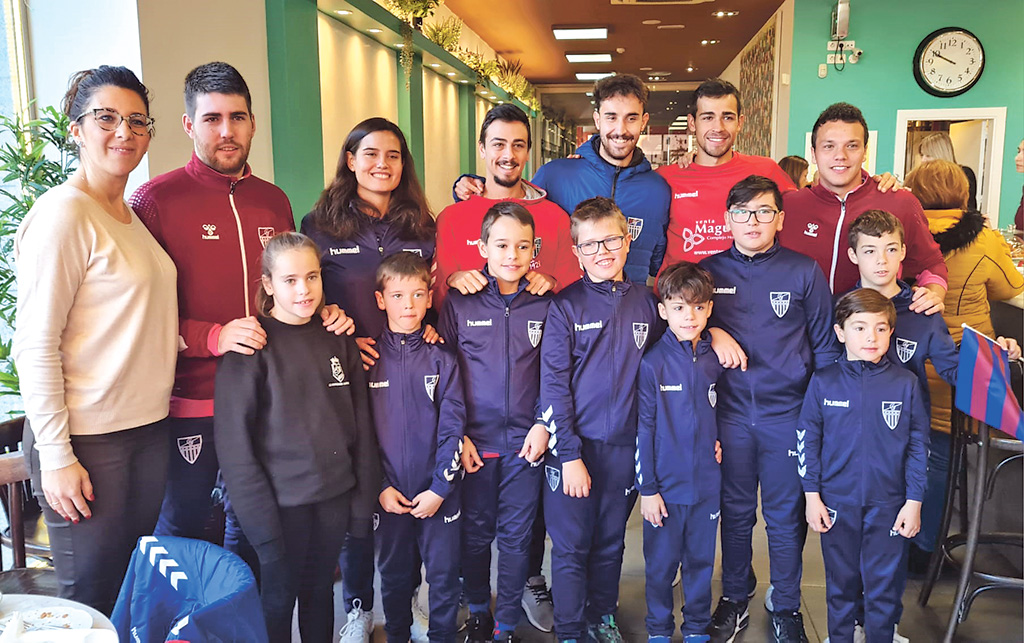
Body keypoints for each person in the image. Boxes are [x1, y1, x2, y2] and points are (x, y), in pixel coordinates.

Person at [129, 62, 351, 548]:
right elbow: (137, 316)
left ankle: (243, 626)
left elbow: (290, 286)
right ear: (189, 125)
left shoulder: (273, 201)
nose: (226, 132)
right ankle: (180, 627)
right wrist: (212, 334)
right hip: (192, 399)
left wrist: (320, 314)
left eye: (238, 117)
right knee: (184, 528)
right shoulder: (153, 200)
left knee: (255, 531)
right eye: (211, 119)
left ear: (252, 122)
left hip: (271, 397)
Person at [14, 66, 177, 614]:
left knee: (127, 588)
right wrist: (57, 455)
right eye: (106, 118)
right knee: (88, 600)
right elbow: (34, 344)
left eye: (136, 120)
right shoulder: (64, 213)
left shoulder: (128, 217)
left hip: (146, 430)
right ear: (77, 128)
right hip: (88, 440)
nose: (123, 132)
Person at [301, 116, 436, 642]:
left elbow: (434, 291)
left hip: (411, 377)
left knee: (410, 484)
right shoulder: (320, 224)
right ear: (351, 160)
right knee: (358, 495)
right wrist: (337, 334)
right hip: (350, 379)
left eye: (394, 155)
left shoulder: (422, 224)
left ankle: (412, 600)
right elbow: (305, 299)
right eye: (371, 153)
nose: (383, 164)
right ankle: (357, 605)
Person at [214, 232, 379, 642]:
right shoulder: (250, 349)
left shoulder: (338, 337)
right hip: (277, 510)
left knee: (320, 592)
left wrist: (361, 506)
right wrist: (264, 530)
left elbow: (361, 425)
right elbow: (235, 450)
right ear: (268, 284)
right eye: (289, 280)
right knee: (276, 600)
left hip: (333, 500)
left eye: (312, 277)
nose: (304, 289)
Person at [700, 176, 840, 643]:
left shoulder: (805, 271)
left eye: (763, 211)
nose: (753, 221)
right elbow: (678, 324)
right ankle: (735, 596)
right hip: (731, 416)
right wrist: (711, 334)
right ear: (727, 220)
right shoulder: (708, 272)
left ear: (780, 218)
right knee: (735, 513)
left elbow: (824, 348)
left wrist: (823, 421)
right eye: (742, 212)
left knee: (784, 518)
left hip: (788, 417)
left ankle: (785, 604)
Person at [537, 196, 663, 643]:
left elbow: (669, 366)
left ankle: (601, 616)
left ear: (628, 240)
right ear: (576, 253)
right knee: (571, 547)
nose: (602, 252)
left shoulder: (649, 303)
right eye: (589, 245)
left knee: (611, 543)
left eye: (610, 240)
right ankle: (570, 629)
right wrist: (567, 454)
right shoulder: (564, 307)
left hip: (625, 448)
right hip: (575, 449)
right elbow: (553, 386)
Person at [437, 202, 552, 643]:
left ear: (534, 250)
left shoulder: (545, 303)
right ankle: (481, 610)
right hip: (475, 444)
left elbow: (553, 373)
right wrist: (459, 434)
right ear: (482, 247)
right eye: (501, 245)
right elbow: (446, 374)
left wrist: (543, 425)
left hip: (526, 444)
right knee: (476, 533)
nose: (512, 255)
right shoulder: (460, 303)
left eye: (523, 246)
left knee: (518, 537)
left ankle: (506, 621)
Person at [902, 161, 1023, 565]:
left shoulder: (904, 231)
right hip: (961, 369)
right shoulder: (984, 240)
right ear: (963, 193)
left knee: (911, 454)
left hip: (908, 363)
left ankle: (902, 537)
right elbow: (1012, 287)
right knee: (940, 457)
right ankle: (926, 548)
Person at [799, 289, 929, 643]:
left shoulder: (906, 384)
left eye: (880, 328)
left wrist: (913, 501)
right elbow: (807, 442)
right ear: (840, 333)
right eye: (859, 328)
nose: (870, 337)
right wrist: (812, 496)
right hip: (836, 503)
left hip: (889, 505)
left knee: (883, 590)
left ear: (890, 332)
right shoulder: (823, 381)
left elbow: (919, 447)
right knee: (840, 585)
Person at [454, 74, 670, 285]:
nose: (620, 130)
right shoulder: (556, 175)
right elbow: (511, 207)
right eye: (611, 117)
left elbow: (657, 263)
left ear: (644, 121)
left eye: (631, 118)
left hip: (633, 312)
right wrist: (474, 186)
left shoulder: (658, 190)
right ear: (597, 119)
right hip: (565, 309)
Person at [369, 252, 465, 643]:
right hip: (389, 496)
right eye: (397, 296)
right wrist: (379, 485)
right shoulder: (367, 360)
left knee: (442, 576)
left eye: (417, 295)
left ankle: (441, 635)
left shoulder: (443, 358)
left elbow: (454, 427)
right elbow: (359, 433)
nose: (407, 305)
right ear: (380, 300)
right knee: (393, 576)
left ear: (430, 298)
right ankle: (397, 635)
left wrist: (440, 488)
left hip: (438, 493)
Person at [779, 103, 949, 313]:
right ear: (814, 154)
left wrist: (933, 294)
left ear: (865, 151)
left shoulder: (900, 202)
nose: (840, 155)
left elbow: (931, 263)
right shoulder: (789, 206)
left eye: (852, 146)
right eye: (828, 146)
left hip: (874, 336)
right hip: (802, 336)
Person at [636, 262, 724, 643]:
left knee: (701, 564)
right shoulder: (653, 364)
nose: (690, 316)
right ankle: (658, 630)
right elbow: (644, 430)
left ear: (709, 309)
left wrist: (715, 440)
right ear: (663, 310)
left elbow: (718, 408)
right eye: (679, 307)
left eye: (698, 307)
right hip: (665, 489)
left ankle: (697, 630)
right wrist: (648, 489)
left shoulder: (713, 358)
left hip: (706, 483)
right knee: (660, 566)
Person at [435, 103, 580, 310]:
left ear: (528, 152)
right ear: (482, 149)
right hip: (470, 341)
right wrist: (451, 281)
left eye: (518, 145)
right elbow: (434, 298)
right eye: (498, 144)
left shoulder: (556, 217)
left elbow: (575, 290)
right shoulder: (451, 219)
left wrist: (554, 284)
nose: (509, 156)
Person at [656, 78, 797, 266]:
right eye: (707, 117)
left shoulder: (765, 170)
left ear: (739, 122)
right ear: (692, 123)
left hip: (747, 290)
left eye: (727, 117)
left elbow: (799, 218)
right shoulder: (665, 178)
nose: (718, 128)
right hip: (681, 292)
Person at [916, 132, 977, 211]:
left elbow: (969, 208)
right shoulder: (921, 178)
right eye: (922, 155)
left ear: (940, 155)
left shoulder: (964, 174)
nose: (923, 160)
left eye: (928, 155)